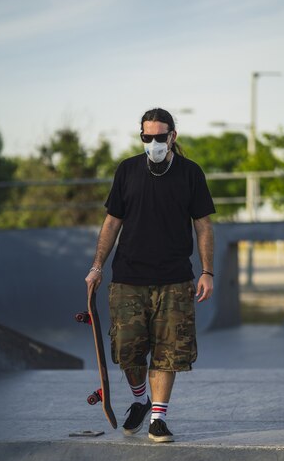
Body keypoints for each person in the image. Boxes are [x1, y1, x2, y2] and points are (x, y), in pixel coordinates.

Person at [85, 107, 215, 443]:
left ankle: (158, 416)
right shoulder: (127, 171)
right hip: (128, 277)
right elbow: (112, 222)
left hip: (174, 278)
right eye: (147, 137)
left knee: (168, 351)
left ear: (173, 136)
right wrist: (97, 266)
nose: (154, 142)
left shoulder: (190, 173)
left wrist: (207, 271)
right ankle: (140, 399)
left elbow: (203, 226)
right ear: (141, 136)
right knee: (127, 350)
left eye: (160, 136)